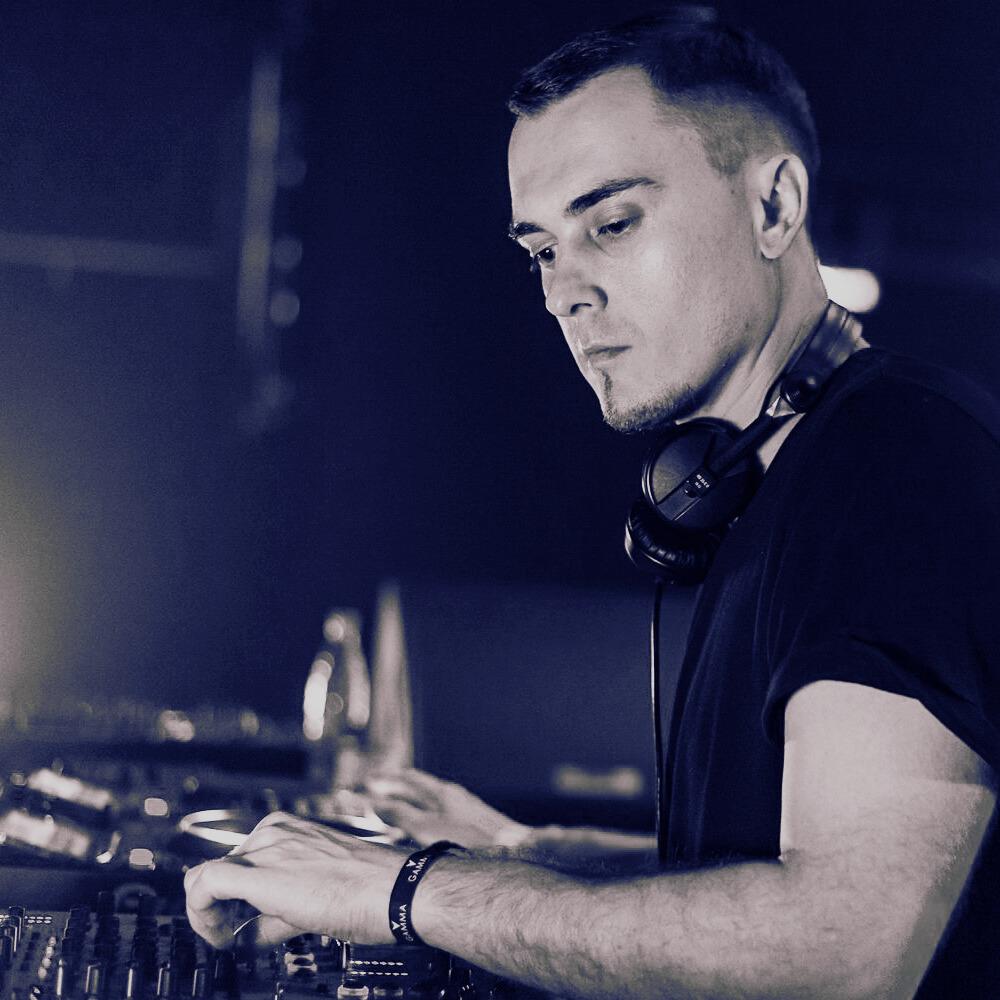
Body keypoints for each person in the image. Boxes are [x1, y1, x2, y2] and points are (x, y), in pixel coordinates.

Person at [185, 11, 1000, 998]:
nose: (562, 292)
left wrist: (406, 892)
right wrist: (523, 852)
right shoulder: (764, 485)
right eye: (541, 249)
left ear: (774, 205)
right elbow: (751, 866)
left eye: (611, 224)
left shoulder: (895, 461)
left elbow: (838, 952)